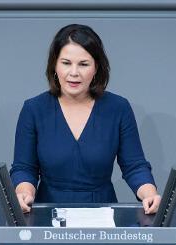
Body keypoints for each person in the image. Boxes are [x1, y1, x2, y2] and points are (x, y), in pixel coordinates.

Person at [10, 24, 161, 214]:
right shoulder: (33, 109)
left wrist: (150, 194)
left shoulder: (118, 108)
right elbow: (24, 168)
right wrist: (24, 193)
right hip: (47, 217)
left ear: (96, 68)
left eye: (83, 64)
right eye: (66, 63)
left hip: (102, 216)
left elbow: (135, 166)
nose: (74, 73)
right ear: (54, 65)